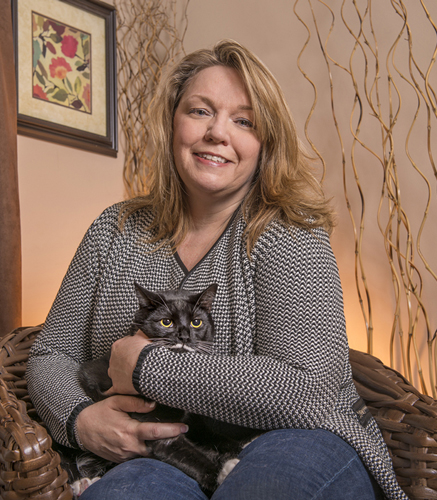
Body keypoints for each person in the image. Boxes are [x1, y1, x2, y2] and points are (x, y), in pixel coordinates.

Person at [26, 39, 408, 500]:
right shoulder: (114, 229)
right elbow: (51, 355)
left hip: (296, 441)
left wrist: (145, 367)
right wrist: (79, 420)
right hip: (162, 453)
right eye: (200, 111)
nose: (217, 133)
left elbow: (311, 391)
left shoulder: (291, 234)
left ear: (265, 143)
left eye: (243, 121)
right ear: (172, 124)